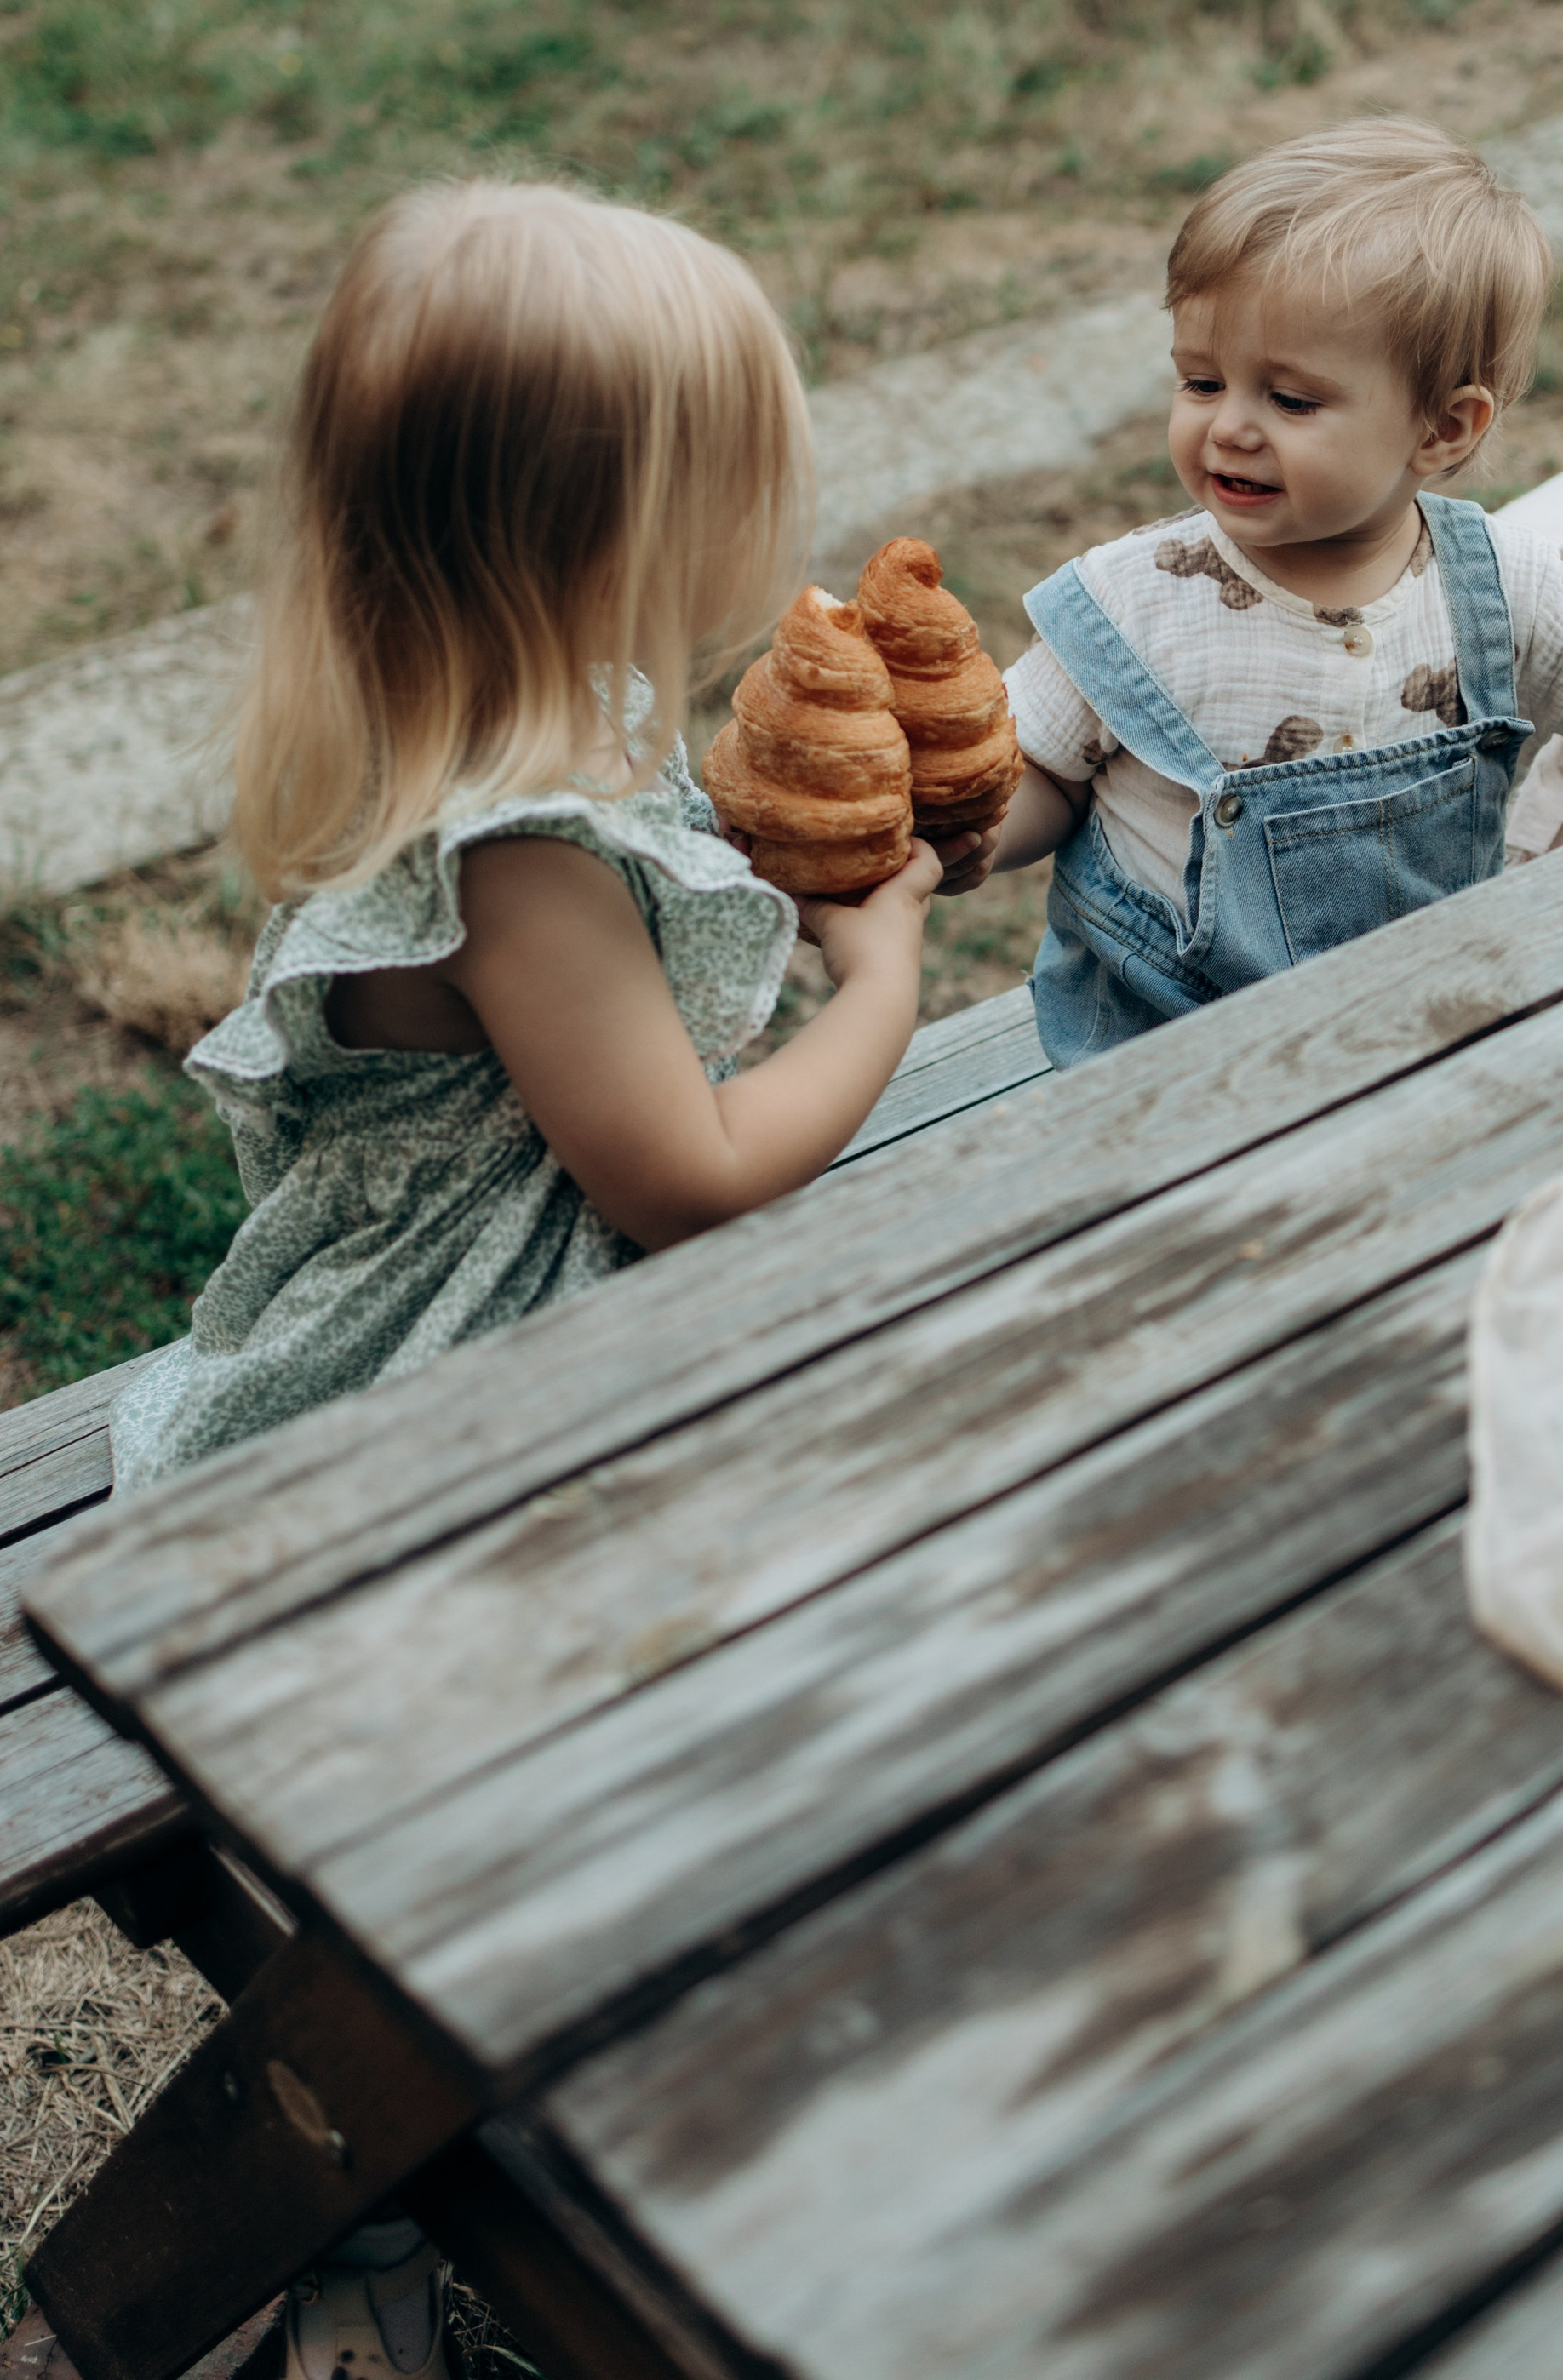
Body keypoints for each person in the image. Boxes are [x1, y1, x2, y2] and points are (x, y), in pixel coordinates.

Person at [107, 177, 946, 2378]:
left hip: (524, 1307)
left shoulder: (544, 719)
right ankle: (371, 2215)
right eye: (732, 479)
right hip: (451, 1397)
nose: (771, 511)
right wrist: (888, 975)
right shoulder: (520, 850)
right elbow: (688, 1174)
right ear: (589, 527)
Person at [976, 120, 1563, 1069]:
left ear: (1442, 429)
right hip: (1157, 1048)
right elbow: (1038, 767)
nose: (1230, 429)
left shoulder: (1492, 588)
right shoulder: (1136, 599)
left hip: (1420, 1026)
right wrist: (959, 832)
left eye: (1290, 401)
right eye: (1201, 382)